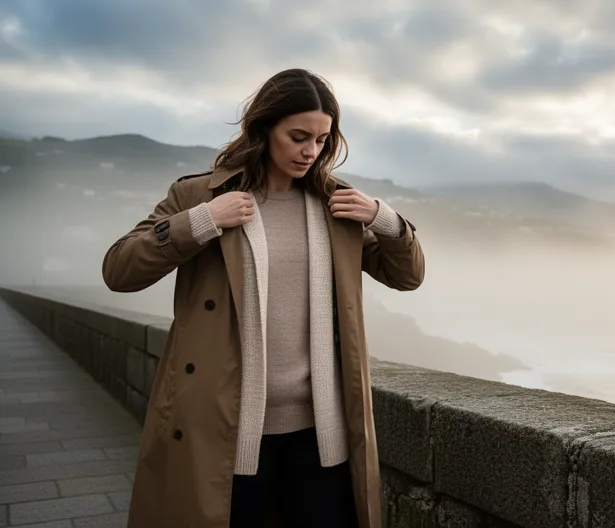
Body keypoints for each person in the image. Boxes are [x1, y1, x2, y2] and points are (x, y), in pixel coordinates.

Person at [101, 68, 425, 528]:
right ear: (264, 128)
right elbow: (118, 269)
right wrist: (201, 221)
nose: (310, 151)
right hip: (227, 433)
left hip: (321, 436)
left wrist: (386, 220)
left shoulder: (337, 205)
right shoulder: (200, 195)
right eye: (298, 136)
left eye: (321, 139)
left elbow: (407, 276)